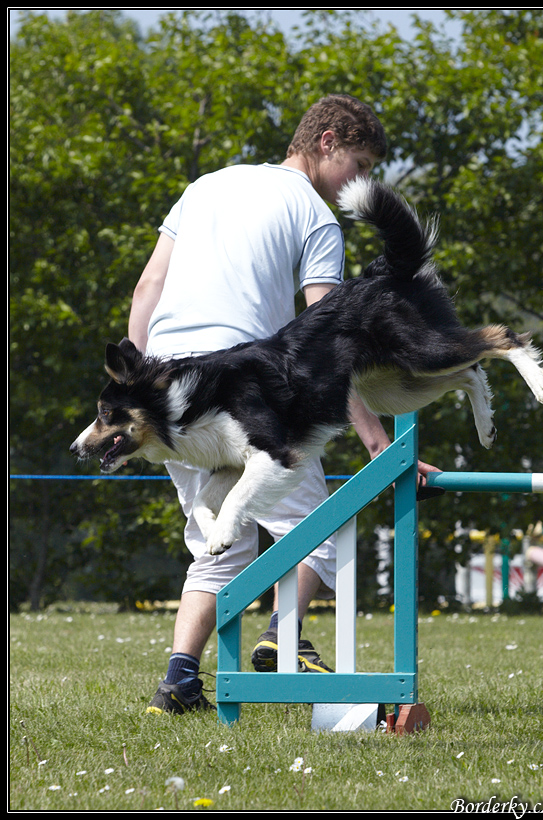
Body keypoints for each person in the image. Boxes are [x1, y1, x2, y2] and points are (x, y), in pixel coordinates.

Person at [127, 94, 439, 715]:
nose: (362, 181)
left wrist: (132, 393)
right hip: (241, 386)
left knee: (217, 537)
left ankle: (180, 680)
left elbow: (148, 287)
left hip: (165, 387)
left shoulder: (206, 186)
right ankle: (283, 638)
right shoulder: (315, 215)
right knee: (318, 530)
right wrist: (381, 444)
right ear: (326, 141)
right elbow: (332, 339)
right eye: (359, 162)